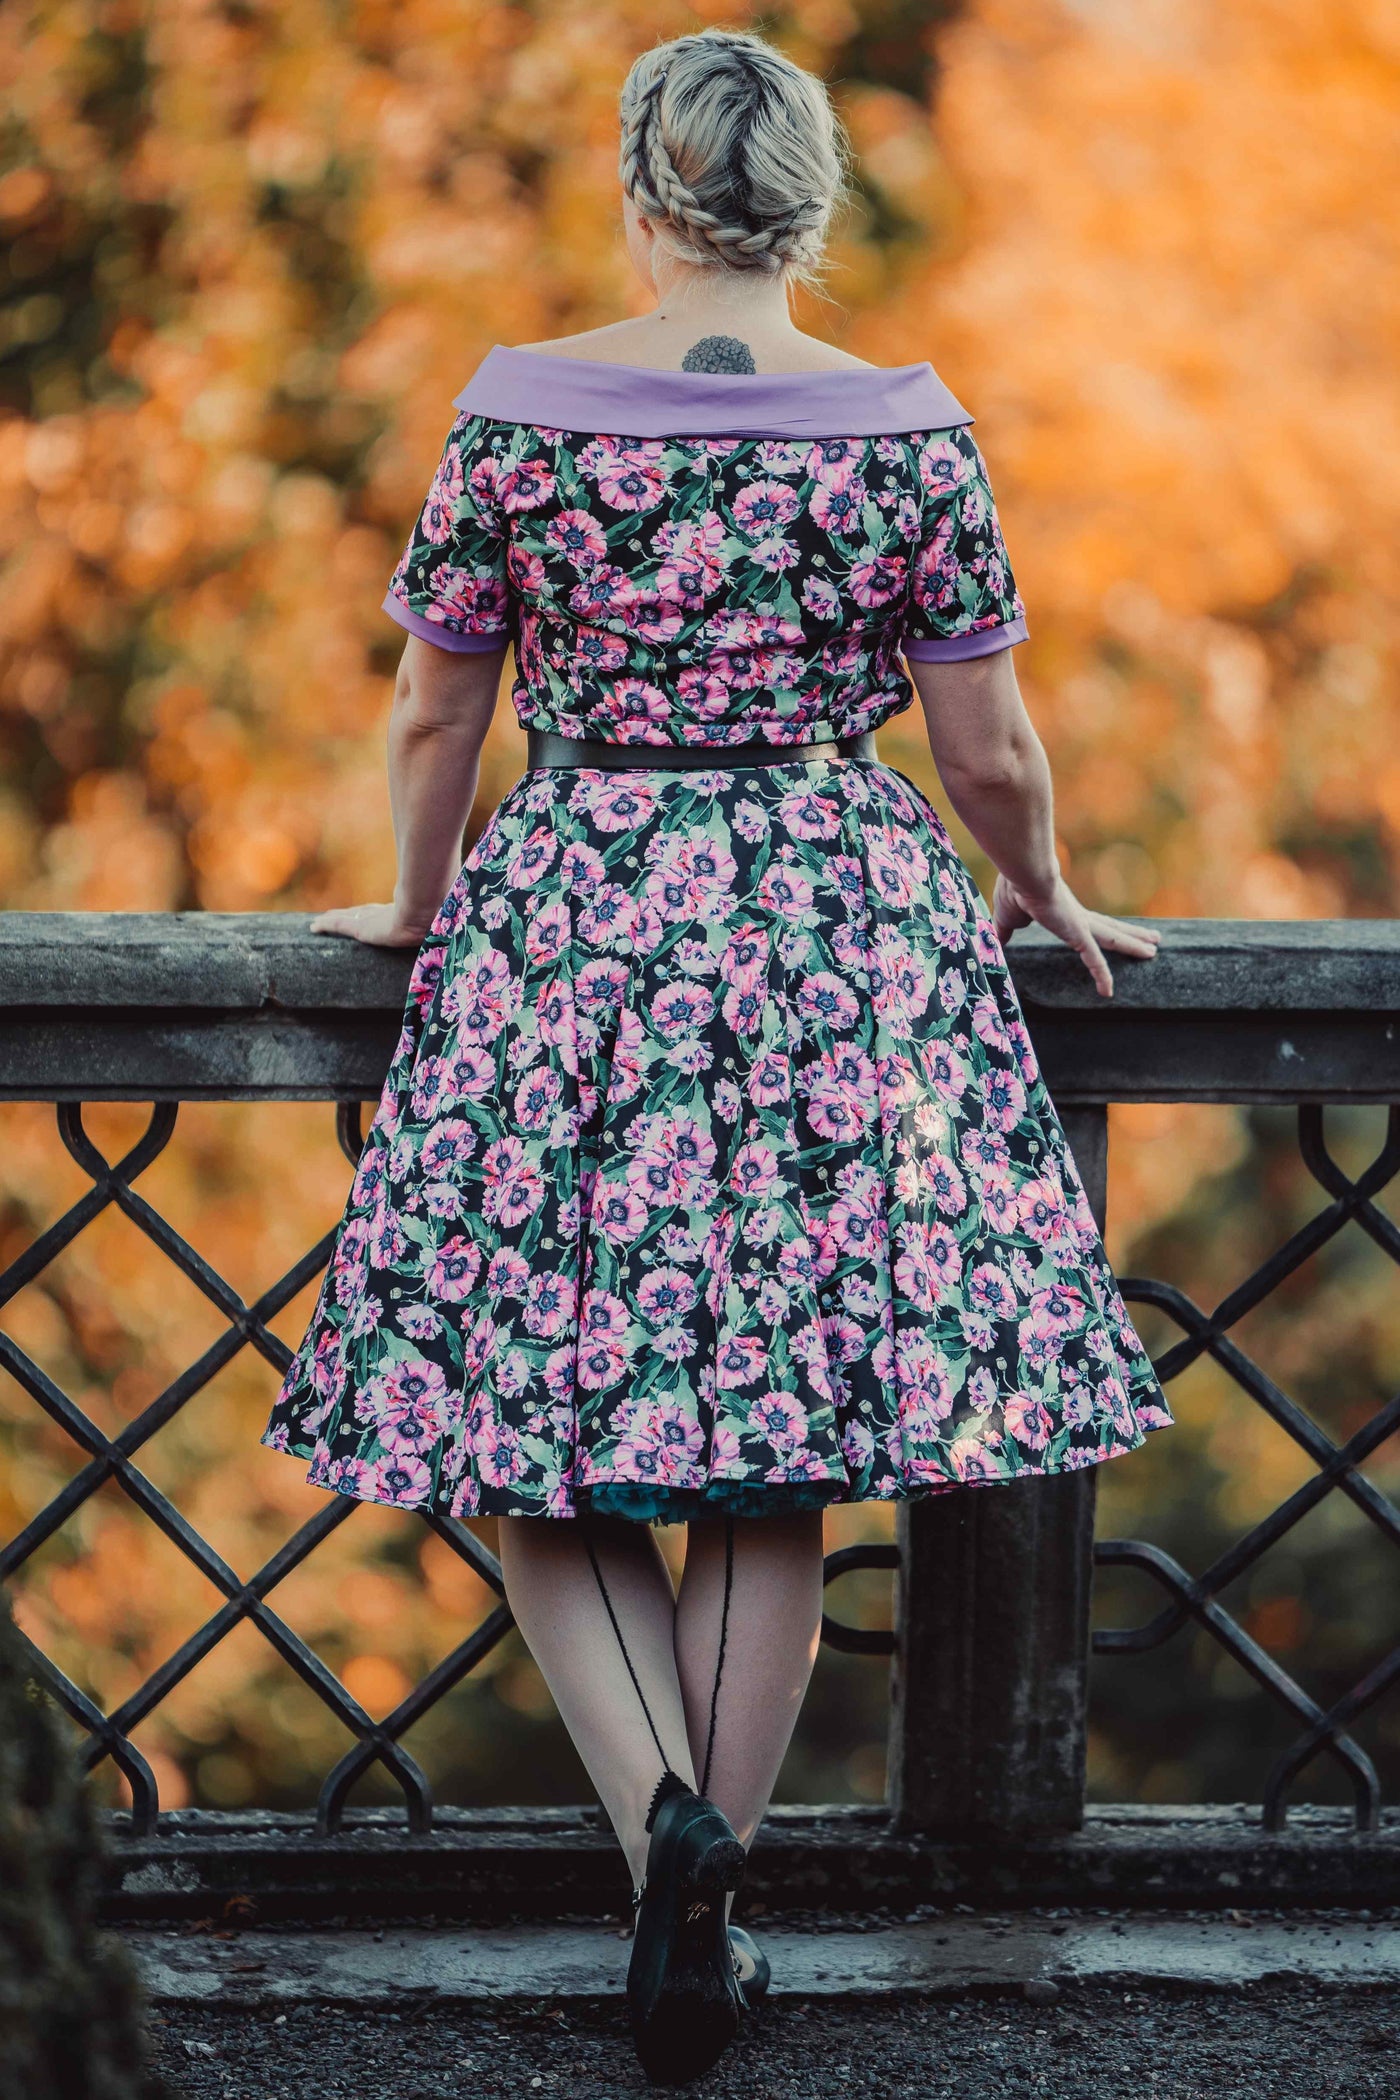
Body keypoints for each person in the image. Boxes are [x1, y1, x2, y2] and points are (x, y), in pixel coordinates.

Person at [261, 26, 1172, 2086]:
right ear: (812, 200)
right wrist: (1040, 888)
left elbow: (437, 711)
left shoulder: (517, 414)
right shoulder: (907, 431)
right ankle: (717, 1889)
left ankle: (655, 1831)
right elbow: (983, 750)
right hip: (831, 929)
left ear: (640, 192)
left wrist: (413, 905)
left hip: (577, 912)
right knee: (764, 1451)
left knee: (526, 1424)